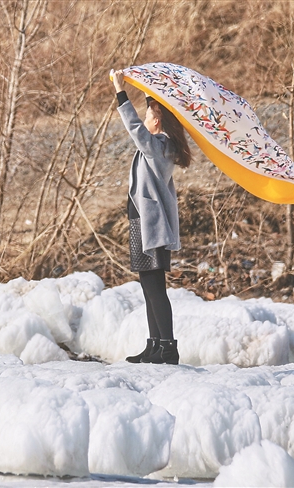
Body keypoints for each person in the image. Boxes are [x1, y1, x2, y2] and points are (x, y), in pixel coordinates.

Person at [110, 68, 192, 365]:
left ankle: (168, 347)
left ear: (156, 121)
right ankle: (155, 344)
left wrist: (121, 91)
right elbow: (147, 116)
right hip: (141, 222)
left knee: (154, 285)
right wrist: (148, 89)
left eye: (149, 113)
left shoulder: (159, 146)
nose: (145, 118)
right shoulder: (161, 146)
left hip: (150, 225)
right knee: (148, 284)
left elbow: (136, 128)